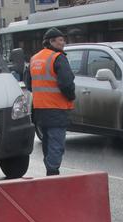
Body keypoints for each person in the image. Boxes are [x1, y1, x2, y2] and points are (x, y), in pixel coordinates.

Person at [25, 27, 75, 176]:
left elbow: (28, 83)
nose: (63, 43)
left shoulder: (34, 59)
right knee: (56, 143)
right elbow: (66, 83)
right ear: (51, 42)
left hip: (40, 109)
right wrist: (71, 97)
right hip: (56, 109)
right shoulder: (57, 58)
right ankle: (52, 174)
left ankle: (49, 169)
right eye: (60, 40)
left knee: (47, 142)